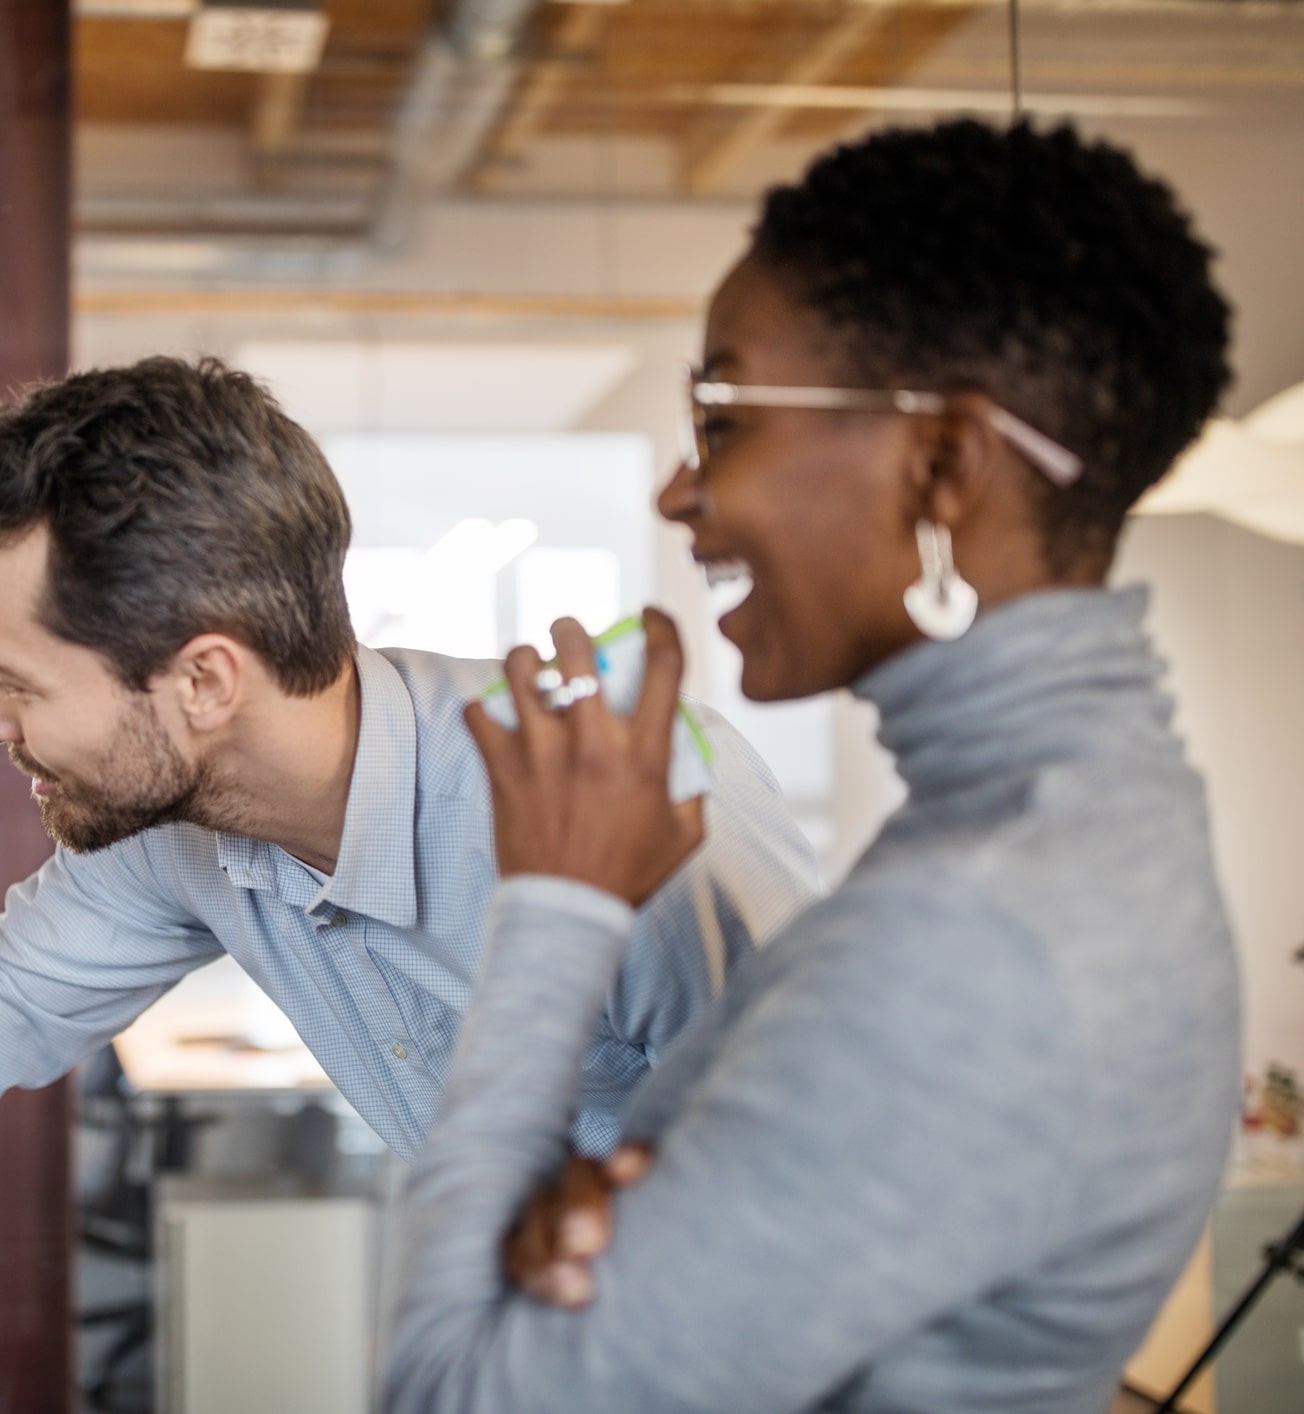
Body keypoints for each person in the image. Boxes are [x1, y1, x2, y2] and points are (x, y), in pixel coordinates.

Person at [384, 119, 1240, 1413]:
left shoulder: (975, 935)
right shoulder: (1086, 822)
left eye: (720, 418)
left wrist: (557, 902)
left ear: (943, 464)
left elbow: (454, 1395)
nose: (681, 494)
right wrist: (599, 1192)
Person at [0, 355, 819, 1164]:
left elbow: (840, 1178)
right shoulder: (178, 824)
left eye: (16, 679)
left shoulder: (636, 796)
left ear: (207, 682)